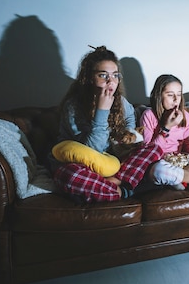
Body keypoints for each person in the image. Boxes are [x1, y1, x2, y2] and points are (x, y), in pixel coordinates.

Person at [51, 45, 162, 202]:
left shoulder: (122, 103)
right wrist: (102, 111)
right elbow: (90, 152)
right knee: (70, 175)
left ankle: (112, 187)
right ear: (89, 78)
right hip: (84, 165)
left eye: (115, 75)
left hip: (114, 164)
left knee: (153, 148)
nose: (111, 81)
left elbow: (132, 135)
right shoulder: (73, 107)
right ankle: (126, 190)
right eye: (103, 75)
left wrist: (128, 140)